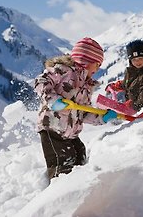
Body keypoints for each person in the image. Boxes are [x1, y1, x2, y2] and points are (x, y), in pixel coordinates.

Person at [35, 37, 117, 180]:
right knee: (63, 163)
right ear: (86, 61)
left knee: (80, 155)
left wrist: (101, 118)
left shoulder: (87, 85)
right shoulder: (63, 71)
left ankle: (79, 187)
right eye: (97, 65)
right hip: (52, 128)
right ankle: (56, 194)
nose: (98, 69)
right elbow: (40, 81)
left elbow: (83, 111)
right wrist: (53, 100)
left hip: (71, 133)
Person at [106, 39, 143, 112]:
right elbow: (128, 83)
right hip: (136, 112)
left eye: (140, 58)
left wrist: (132, 106)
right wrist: (117, 86)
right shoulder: (131, 72)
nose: (137, 62)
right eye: (134, 60)